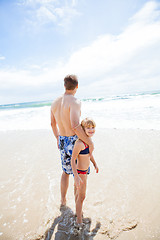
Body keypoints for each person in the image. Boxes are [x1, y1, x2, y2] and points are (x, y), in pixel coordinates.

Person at [50, 74, 94, 207]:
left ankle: (63, 200)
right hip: (74, 141)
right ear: (77, 86)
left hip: (62, 139)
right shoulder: (75, 101)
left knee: (65, 172)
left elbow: (52, 124)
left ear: (64, 86)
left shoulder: (55, 102)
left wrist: (58, 137)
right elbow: (75, 126)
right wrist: (89, 141)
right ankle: (78, 208)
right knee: (79, 172)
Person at [71, 118, 99, 228]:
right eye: (88, 128)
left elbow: (89, 155)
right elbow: (73, 159)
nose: (91, 130)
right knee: (81, 196)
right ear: (82, 129)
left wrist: (94, 164)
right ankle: (78, 220)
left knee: (78, 195)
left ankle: (78, 212)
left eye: (93, 127)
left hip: (84, 172)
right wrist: (76, 176)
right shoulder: (79, 143)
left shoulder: (88, 141)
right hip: (80, 173)